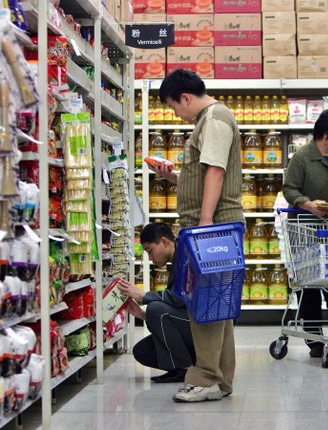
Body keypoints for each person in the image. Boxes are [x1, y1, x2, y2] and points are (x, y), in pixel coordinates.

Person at [149, 69, 244, 403]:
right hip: (211, 226)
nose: (177, 114)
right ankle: (220, 380)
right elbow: (205, 175)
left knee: (204, 305)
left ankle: (204, 378)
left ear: (185, 97)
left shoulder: (214, 118)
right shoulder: (207, 121)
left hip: (213, 227)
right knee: (218, 305)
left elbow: (216, 171)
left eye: (175, 107)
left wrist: (204, 223)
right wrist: (173, 177)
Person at [282, 109, 328, 358]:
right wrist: (309, 204)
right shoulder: (302, 157)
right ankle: (314, 340)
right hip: (306, 230)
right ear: (326, 134)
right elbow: (289, 189)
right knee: (309, 288)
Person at [116, 223, 196, 383]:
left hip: (200, 324)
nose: (150, 259)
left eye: (150, 251)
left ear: (165, 242)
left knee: (155, 308)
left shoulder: (185, 257)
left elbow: (180, 298)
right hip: (188, 321)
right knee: (142, 351)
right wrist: (142, 315)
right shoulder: (177, 258)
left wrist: (143, 296)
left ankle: (185, 369)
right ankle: (186, 364)